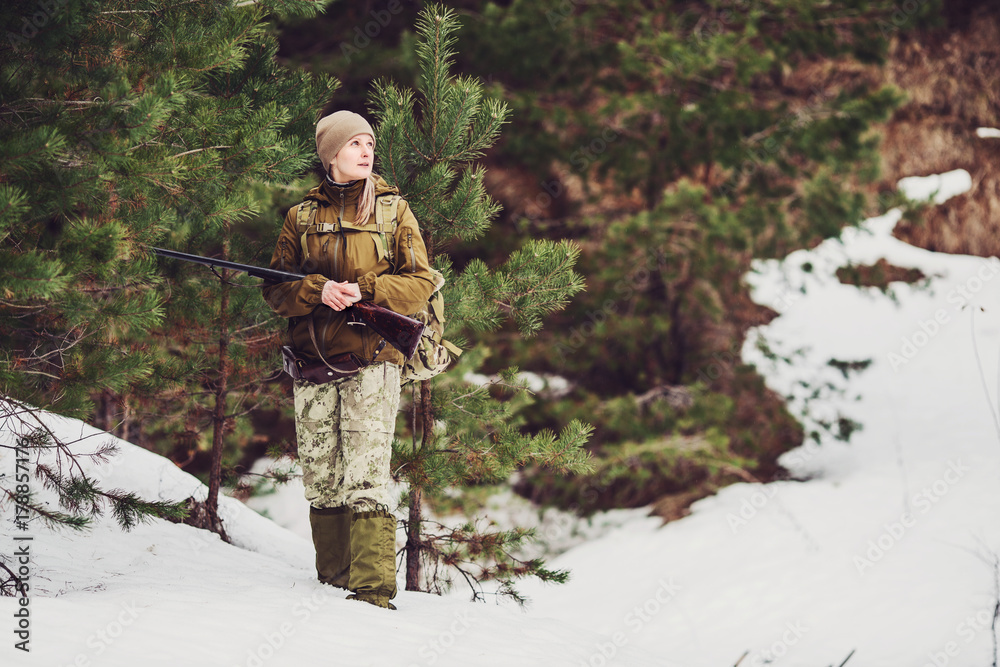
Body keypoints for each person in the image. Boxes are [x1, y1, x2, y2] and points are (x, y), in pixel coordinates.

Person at [262, 110, 436, 609]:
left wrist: (366, 289)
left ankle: (373, 592)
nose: (366, 151)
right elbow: (276, 289)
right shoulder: (300, 217)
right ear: (331, 155)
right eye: (354, 143)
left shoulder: (393, 212)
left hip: (371, 361)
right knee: (321, 475)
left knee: (366, 474)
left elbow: (421, 283)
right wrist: (319, 291)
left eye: (369, 143)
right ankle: (331, 585)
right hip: (313, 362)